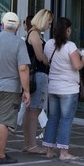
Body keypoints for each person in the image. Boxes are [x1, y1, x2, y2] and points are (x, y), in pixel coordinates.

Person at [0, 12, 31, 165]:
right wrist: (26, 90)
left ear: (2, 25)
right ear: (16, 28)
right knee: (4, 121)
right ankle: (1, 156)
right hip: (10, 87)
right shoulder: (19, 43)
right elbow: (23, 69)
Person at [42, 17, 84, 160]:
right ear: (67, 30)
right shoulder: (70, 46)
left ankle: (49, 150)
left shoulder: (49, 44)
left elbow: (45, 61)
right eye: (70, 29)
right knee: (66, 120)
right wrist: (83, 59)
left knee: (53, 118)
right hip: (68, 88)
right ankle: (63, 152)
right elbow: (77, 66)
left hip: (53, 86)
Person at [22, 9, 53, 154]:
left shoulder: (32, 33)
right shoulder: (34, 34)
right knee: (35, 110)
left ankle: (28, 143)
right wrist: (52, 59)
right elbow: (41, 58)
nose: (49, 25)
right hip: (38, 75)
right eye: (49, 22)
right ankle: (32, 144)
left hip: (33, 75)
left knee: (30, 110)